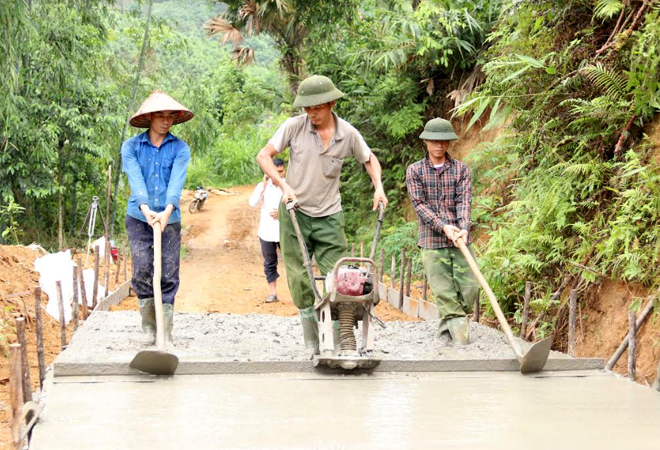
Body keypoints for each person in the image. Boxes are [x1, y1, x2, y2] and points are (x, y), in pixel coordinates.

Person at [256, 75, 388, 357]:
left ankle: (343, 340)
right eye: (306, 108)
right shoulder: (294, 127)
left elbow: (369, 159)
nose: (311, 113)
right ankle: (312, 341)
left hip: (329, 215)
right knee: (300, 277)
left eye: (316, 107)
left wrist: (378, 187)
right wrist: (284, 186)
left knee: (339, 278)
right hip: (294, 213)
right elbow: (264, 156)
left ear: (331, 103)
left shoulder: (347, 133)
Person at [121, 90, 193, 347]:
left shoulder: (180, 148)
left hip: (169, 218)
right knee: (142, 269)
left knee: (168, 273)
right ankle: (149, 329)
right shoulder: (131, 147)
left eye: (170, 117)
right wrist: (145, 208)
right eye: (160, 116)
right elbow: (135, 178)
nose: (165, 121)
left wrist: (167, 211)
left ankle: (167, 331)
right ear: (149, 118)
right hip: (138, 217)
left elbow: (176, 182)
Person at [405, 118, 479, 346]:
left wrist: (463, 228)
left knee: (470, 286)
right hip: (432, 241)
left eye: (444, 141)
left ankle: (445, 331)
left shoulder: (460, 170)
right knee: (444, 292)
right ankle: (461, 343)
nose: (439, 145)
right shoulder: (415, 171)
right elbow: (419, 205)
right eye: (435, 141)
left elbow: (464, 201)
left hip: (459, 238)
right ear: (426, 141)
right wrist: (444, 226)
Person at [248, 158, 286, 303]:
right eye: (275, 172)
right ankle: (273, 293)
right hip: (266, 232)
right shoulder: (263, 186)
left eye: (281, 171)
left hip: (284, 231)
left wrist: (282, 213)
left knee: (292, 262)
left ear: (284, 170)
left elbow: (297, 205)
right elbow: (252, 203)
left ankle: (298, 294)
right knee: (270, 263)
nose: (279, 175)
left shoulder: (288, 186)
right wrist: (263, 185)